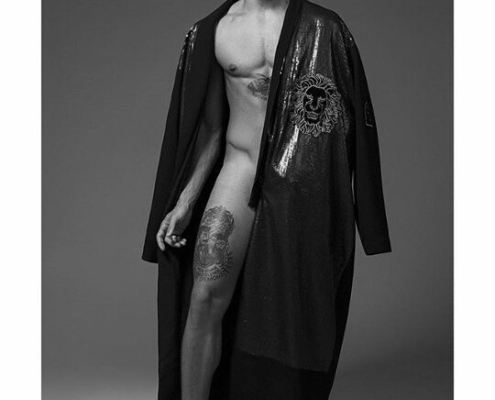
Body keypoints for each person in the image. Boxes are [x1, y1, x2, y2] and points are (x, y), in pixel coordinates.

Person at [142, 1, 392, 399]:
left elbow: (353, 122)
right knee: (204, 296)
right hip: (240, 170)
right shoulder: (217, 30)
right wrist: (186, 200)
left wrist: (364, 216)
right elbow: (211, 126)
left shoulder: (323, 27)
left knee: (295, 310)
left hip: (301, 184)